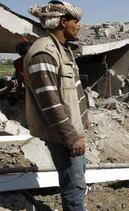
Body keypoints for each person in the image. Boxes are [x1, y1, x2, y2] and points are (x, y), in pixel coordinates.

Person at [24, 1, 88, 210]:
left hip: (70, 132)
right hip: (63, 136)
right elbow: (49, 104)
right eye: (75, 21)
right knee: (74, 187)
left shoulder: (61, 50)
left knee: (75, 182)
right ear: (62, 22)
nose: (78, 26)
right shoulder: (44, 53)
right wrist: (71, 137)